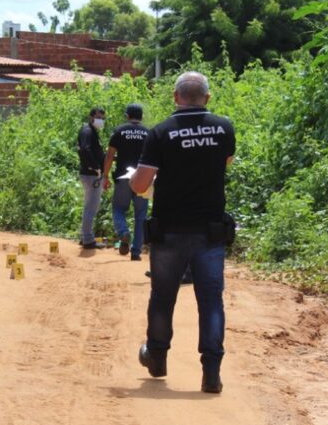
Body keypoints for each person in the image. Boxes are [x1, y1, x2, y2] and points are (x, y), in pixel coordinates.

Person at [130, 72, 235, 394]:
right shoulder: (224, 128)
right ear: (207, 98)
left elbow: (140, 184)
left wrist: (150, 179)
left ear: (176, 97)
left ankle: (157, 358)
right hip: (210, 232)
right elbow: (225, 163)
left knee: (163, 297)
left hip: (170, 231)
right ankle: (212, 372)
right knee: (210, 301)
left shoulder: (161, 132)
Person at [102, 103, 150, 260]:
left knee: (118, 209)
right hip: (143, 179)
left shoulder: (120, 131)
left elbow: (109, 155)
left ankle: (123, 233)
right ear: (141, 117)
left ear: (127, 116)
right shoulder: (148, 133)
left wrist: (105, 176)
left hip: (123, 178)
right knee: (141, 215)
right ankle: (136, 252)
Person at [76, 106, 107, 250]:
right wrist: (96, 167)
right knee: (91, 208)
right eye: (98, 117)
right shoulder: (87, 131)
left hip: (91, 174)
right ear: (91, 117)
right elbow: (85, 150)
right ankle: (88, 240)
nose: (101, 120)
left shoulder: (91, 131)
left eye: (102, 118)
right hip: (91, 175)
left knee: (89, 206)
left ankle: (85, 237)